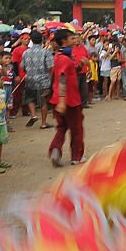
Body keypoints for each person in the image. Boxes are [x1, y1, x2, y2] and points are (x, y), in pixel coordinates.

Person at [47, 30, 84, 167]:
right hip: (69, 100)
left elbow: (71, 72)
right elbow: (62, 78)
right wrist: (62, 101)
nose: (74, 40)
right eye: (71, 38)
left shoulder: (60, 56)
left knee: (61, 127)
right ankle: (76, 156)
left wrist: (81, 64)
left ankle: (55, 149)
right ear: (64, 41)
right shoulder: (64, 58)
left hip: (58, 98)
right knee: (76, 129)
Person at [21, 32, 53, 128]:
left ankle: (33, 114)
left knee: (30, 98)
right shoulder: (46, 52)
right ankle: (43, 123)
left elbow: (22, 67)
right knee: (43, 101)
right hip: (43, 80)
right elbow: (50, 66)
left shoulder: (26, 52)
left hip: (30, 79)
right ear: (42, 40)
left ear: (31, 40)